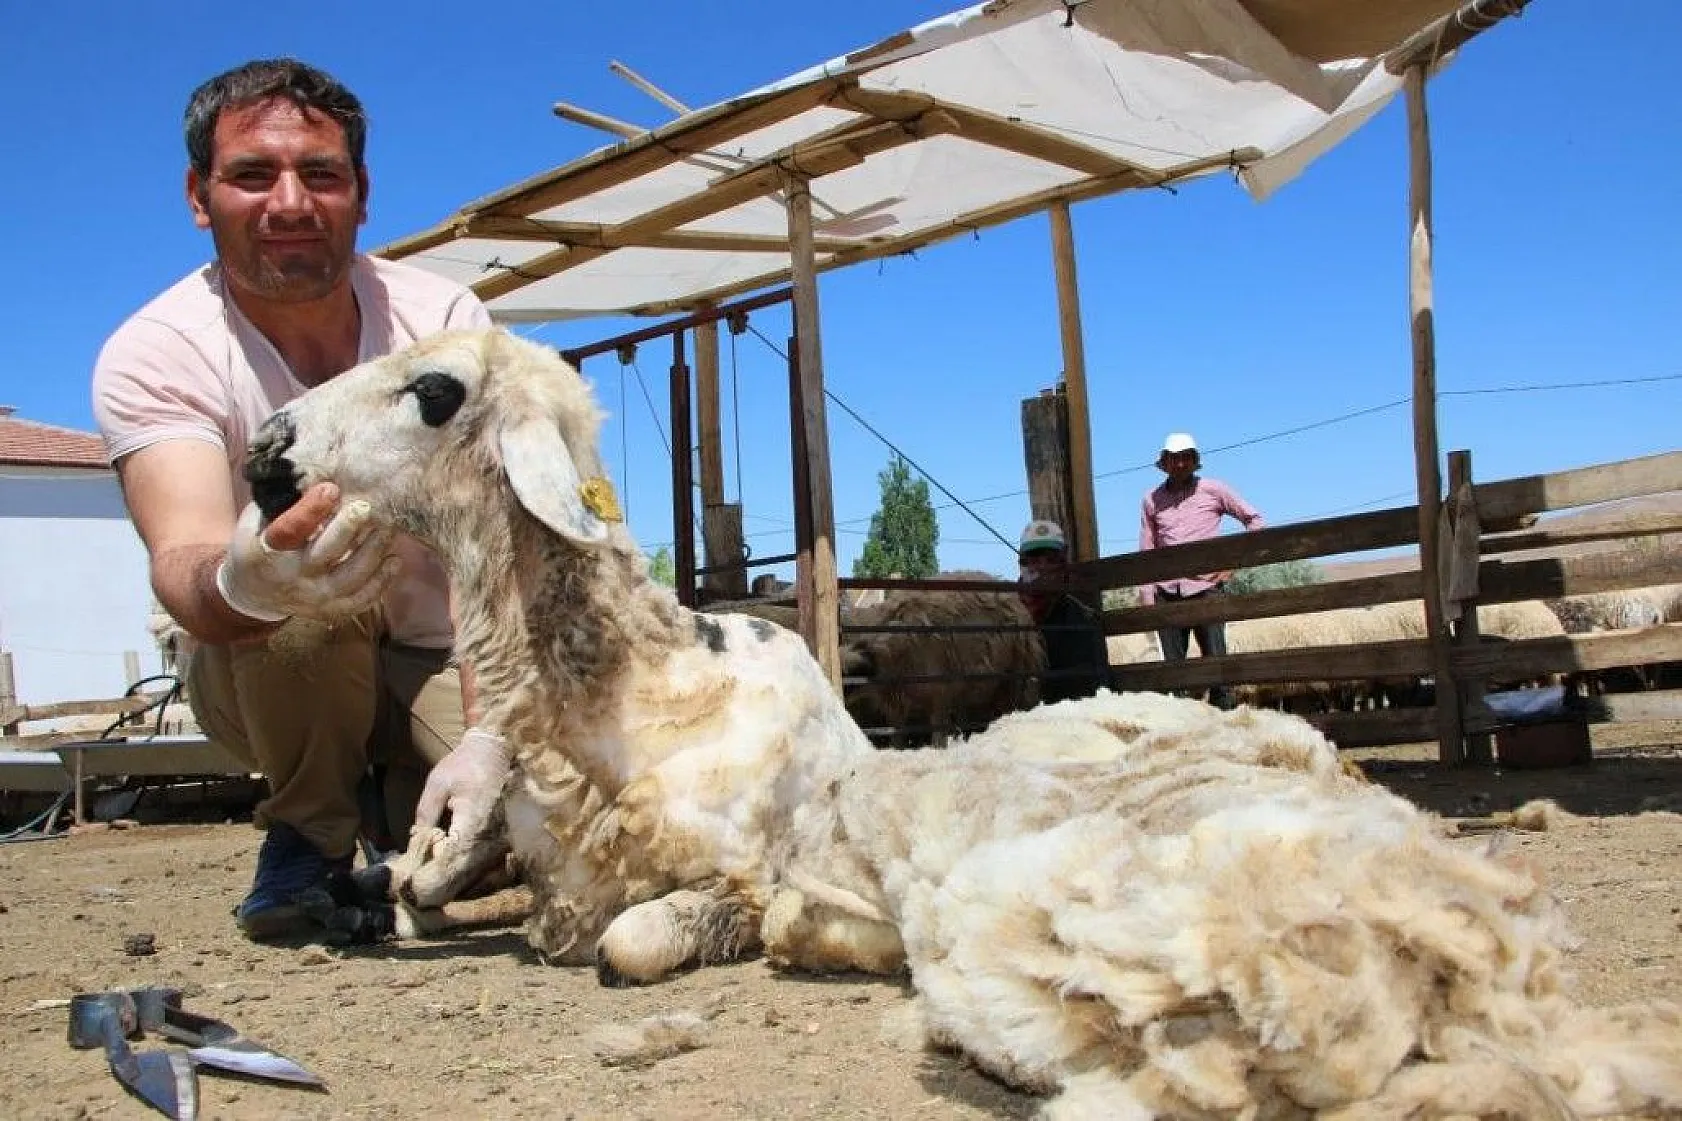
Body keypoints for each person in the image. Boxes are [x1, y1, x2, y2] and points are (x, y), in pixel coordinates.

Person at [92, 58, 508, 940]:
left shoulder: (442, 322)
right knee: (302, 591)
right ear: (199, 196)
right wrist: (245, 578)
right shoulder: (158, 351)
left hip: (439, 652)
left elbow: (489, 545)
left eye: (320, 174)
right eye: (253, 175)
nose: (290, 203)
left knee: (531, 820)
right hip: (268, 673)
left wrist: (492, 737)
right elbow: (183, 553)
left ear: (362, 193)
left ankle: (403, 810)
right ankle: (307, 840)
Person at [1137, 432, 1264, 708]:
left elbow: (1254, 520)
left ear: (1195, 461)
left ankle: (1225, 717)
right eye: (1174, 458)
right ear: (1164, 463)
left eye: (1186, 458)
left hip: (1206, 588)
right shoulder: (1151, 500)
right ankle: (1181, 725)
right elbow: (1147, 549)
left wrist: (1233, 565)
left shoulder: (1214, 490)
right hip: (1167, 592)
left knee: (1218, 668)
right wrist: (1148, 596)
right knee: (1173, 674)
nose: (1180, 463)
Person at [1017, 519, 1109, 705]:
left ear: (1063, 563)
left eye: (1051, 559)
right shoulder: (1007, 617)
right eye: (1034, 558)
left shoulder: (1084, 620)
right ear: (1023, 563)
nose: (1042, 566)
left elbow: (1096, 686)